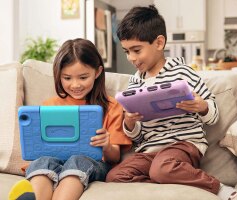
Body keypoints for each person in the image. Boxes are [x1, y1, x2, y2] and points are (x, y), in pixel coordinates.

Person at [106, 4, 223, 196]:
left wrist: (202, 106)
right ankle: (163, 179)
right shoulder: (134, 83)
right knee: (115, 176)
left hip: (183, 144)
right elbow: (137, 136)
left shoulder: (182, 73)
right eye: (127, 51)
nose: (131, 58)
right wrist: (129, 122)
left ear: (159, 43)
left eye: (136, 50)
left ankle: (217, 187)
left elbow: (213, 115)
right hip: (149, 151)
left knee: (163, 168)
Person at [9, 38, 131, 200]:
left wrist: (107, 145)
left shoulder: (111, 106)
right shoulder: (49, 105)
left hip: (91, 163)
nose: (75, 85)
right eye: (67, 78)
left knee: (77, 160)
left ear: (98, 72)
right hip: (53, 160)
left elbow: (114, 157)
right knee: (43, 161)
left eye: (83, 77)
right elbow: (38, 148)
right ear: (58, 75)